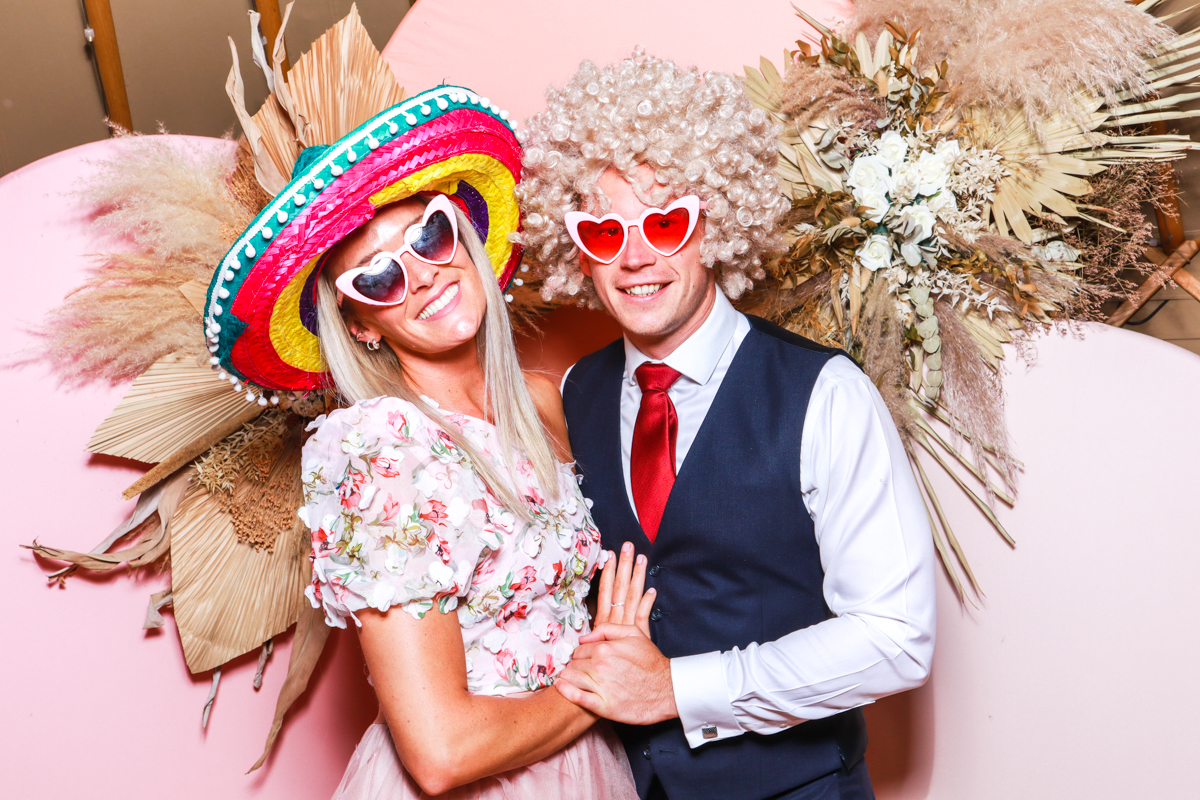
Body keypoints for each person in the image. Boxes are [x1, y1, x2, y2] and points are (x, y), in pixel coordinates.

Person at [207, 78, 648, 797]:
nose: (420, 275)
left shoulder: (542, 405)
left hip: (586, 768)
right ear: (359, 325)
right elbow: (440, 754)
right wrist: (606, 680)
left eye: (429, 234)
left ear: (464, 234)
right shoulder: (381, 446)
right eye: (376, 276)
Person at [517, 52, 938, 800]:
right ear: (577, 247)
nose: (637, 256)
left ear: (716, 222)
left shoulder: (825, 393)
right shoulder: (577, 393)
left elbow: (895, 638)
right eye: (606, 233)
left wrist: (680, 689)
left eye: (666, 221)